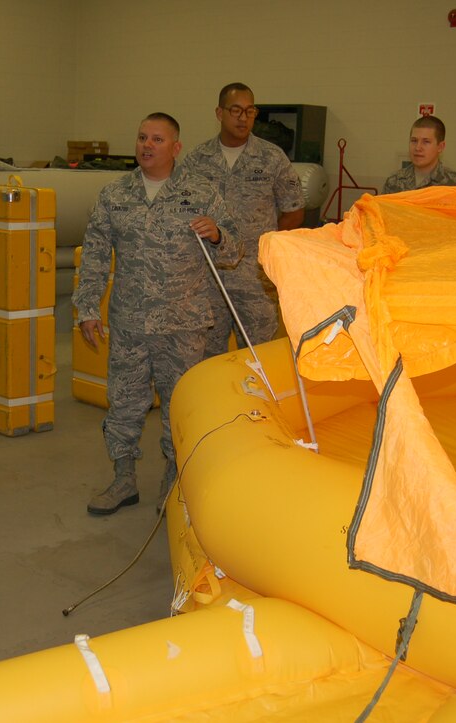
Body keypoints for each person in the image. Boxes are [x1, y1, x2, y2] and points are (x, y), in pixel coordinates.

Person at [73, 113, 241, 515]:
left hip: (183, 326)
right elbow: (95, 253)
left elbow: (235, 251)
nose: (147, 145)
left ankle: (174, 477)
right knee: (124, 402)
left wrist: (217, 233)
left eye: (158, 139)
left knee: (178, 406)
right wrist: (86, 307)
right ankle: (123, 479)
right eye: (142, 137)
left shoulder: (201, 193)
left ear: (176, 147)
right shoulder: (115, 194)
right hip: (130, 322)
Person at [182, 83, 304, 358]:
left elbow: (294, 210)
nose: (243, 117)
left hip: (255, 280)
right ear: (219, 113)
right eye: (236, 110)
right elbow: (183, 209)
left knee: (259, 358)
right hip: (209, 279)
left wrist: (264, 246)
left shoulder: (272, 158)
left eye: (250, 111)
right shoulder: (197, 160)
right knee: (208, 359)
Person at [381, 115, 456, 194]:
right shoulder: (394, 182)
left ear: (441, 147)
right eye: (414, 141)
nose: (418, 148)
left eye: (426, 142)